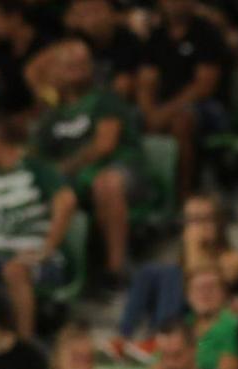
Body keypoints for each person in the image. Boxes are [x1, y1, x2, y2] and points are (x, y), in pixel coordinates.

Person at [33, 38, 145, 288]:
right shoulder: (52, 113)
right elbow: (37, 154)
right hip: (74, 178)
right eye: (69, 65)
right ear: (56, 70)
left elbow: (105, 145)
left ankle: (116, 269)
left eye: (82, 64)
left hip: (120, 171)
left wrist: (64, 168)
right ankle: (52, 269)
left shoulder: (105, 99)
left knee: (106, 183)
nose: (77, 70)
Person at [0, 118, 78, 341]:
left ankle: (23, 346)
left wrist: (47, 248)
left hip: (38, 260)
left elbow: (66, 201)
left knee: (14, 270)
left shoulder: (34, 168)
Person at [115, 192, 238, 351]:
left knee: (173, 275)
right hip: (183, 308)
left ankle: (162, 338)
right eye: (191, 220)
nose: (198, 227)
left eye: (204, 219)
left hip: (207, 312)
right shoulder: (185, 253)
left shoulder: (232, 257)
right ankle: (123, 337)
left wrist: (193, 245)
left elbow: (206, 283)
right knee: (149, 272)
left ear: (218, 222)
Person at [138, 0, 231, 198]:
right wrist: (149, 113)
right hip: (163, 107)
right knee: (131, 119)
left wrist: (163, 113)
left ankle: (183, 194)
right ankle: (147, 195)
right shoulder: (157, 35)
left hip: (208, 108)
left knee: (181, 121)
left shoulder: (206, 33)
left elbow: (204, 87)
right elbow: (146, 80)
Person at [62, 0, 142, 100]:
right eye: (85, 13)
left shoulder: (126, 39)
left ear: (112, 13)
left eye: (97, 11)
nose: (93, 19)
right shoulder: (74, 42)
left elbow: (125, 82)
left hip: (113, 100)